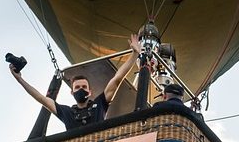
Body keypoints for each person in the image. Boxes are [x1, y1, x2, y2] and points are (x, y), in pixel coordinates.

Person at [10, 35, 142, 131]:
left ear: (90, 91)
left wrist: (134, 55)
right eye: (77, 87)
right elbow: (40, 98)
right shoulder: (66, 112)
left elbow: (117, 79)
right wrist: (20, 79)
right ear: (72, 91)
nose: (81, 89)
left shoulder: (100, 103)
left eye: (84, 87)